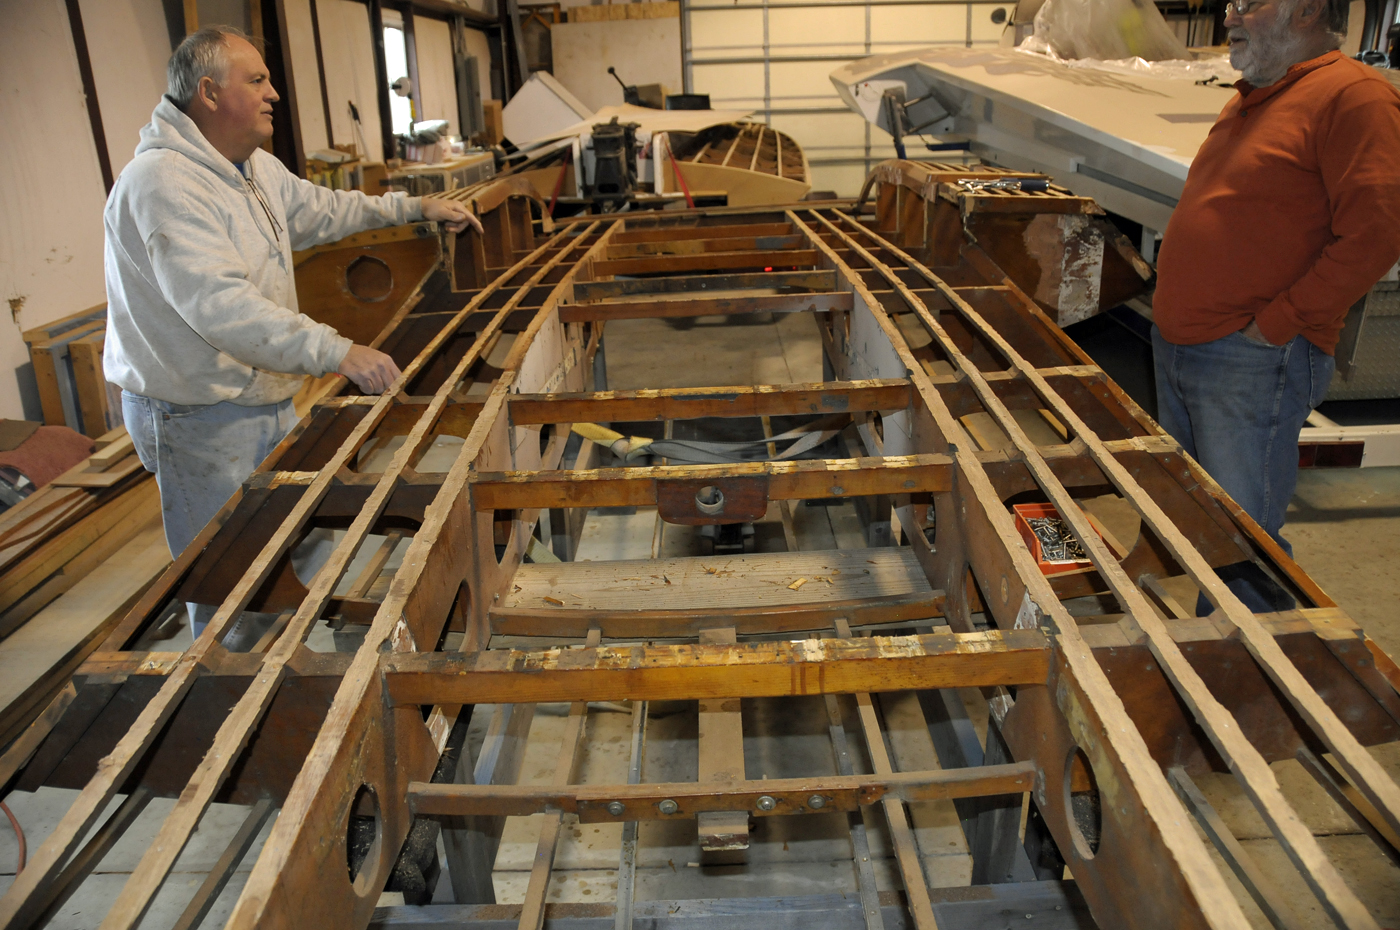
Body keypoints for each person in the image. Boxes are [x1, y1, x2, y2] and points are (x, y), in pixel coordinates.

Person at [104, 26, 481, 640]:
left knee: (289, 552)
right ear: (207, 92)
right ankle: (233, 712)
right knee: (230, 587)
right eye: (256, 80)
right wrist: (337, 350)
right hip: (198, 413)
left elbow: (321, 209)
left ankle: (286, 684)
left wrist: (411, 207)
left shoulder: (250, 168)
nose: (273, 93)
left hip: (256, 393)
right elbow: (222, 308)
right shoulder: (165, 183)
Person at [1150, 0, 1400, 611]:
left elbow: (1379, 232)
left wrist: (1277, 324)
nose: (1229, 16)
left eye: (1249, 4)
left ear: (1309, 9)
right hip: (1191, 345)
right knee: (1203, 517)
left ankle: (1252, 685)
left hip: (1251, 356)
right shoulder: (1259, 93)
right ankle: (1219, 655)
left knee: (1246, 542)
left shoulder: (1354, 96)